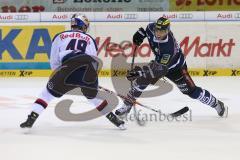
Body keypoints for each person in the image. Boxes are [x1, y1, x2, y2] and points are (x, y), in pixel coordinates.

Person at [20, 13, 125, 129]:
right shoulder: (90, 39)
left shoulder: (60, 36)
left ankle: (31, 118)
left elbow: (54, 60)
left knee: (47, 94)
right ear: (83, 26)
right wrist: (91, 81)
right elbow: (94, 61)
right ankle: (115, 120)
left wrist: (58, 74)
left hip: (67, 70)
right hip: (87, 70)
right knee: (93, 97)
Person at [115, 17, 228, 118]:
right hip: (160, 63)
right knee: (141, 81)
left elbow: (159, 69)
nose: (159, 33)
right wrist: (140, 34)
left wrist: (139, 72)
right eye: (157, 30)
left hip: (176, 68)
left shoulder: (168, 47)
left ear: (168, 31)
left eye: (163, 31)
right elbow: (145, 32)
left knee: (192, 91)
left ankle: (216, 104)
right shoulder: (150, 28)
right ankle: (126, 106)